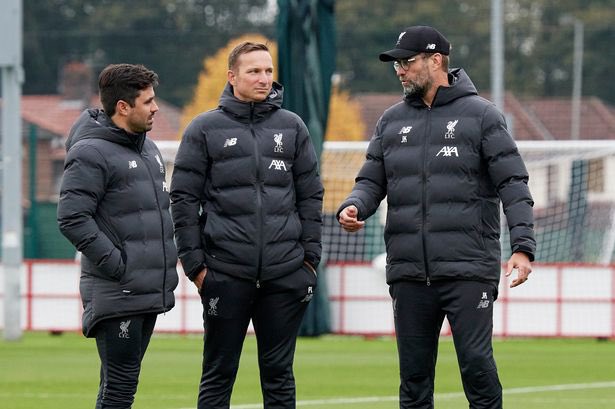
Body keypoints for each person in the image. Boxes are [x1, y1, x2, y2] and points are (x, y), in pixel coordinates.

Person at [337, 26, 536, 409]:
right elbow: (370, 181)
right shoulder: (390, 121)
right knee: (413, 379)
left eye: (407, 62)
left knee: (477, 368)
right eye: (396, 64)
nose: (400, 70)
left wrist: (523, 247)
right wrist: (354, 205)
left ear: (436, 61)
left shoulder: (482, 116)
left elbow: (513, 183)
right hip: (409, 273)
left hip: (468, 270)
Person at [170, 41, 323, 409]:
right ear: (232, 76)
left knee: (279, 374)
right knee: (218, 373)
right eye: (254, 71)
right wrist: (195, 266)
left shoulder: (292, 126)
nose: (264, 78)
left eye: (268, 71)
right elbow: (183, 199)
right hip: (225, 273)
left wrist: (309, 260)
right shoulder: (204, 128)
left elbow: (310, 195)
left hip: (285, 273)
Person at [57, 63, 179, 408]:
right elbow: (71, 217)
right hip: (119, 290)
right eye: (148, 101)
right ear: (123, 107)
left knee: (118, 388)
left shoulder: (149, 150)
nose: (156, 108)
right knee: (120, 389)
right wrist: (118, 265)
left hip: (145, 290)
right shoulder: (90, 153)